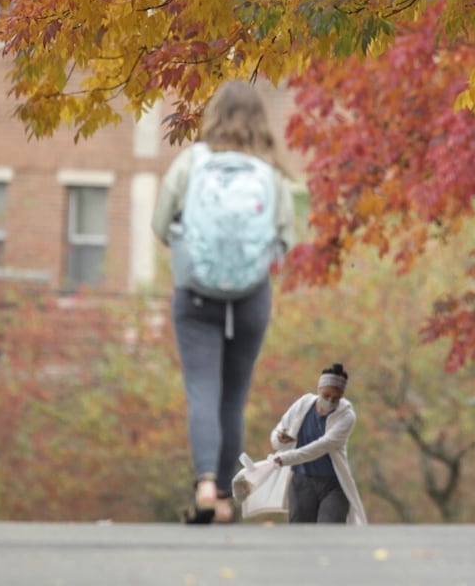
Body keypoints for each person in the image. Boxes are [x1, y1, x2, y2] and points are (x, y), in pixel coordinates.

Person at [152, 80, 295, 524]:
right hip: (251, 296)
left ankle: (207, 485)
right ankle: (227, 503)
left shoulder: (190, 164)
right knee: (234, 395)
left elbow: (160, 225)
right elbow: (286, 241)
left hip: (195, 293)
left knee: (202, 390)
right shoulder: (270, 173)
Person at [268, 363, 368, 525]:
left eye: (336, 398)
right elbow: (277, 434)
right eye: (326, 395)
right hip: (302, 481)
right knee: (301, 533)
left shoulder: (346, 416)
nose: (330, 401)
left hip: (333, 484)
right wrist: (280, 439)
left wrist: (285, 458)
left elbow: (322, 446)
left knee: (330, 531)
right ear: (319, 389)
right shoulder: (303, 405)